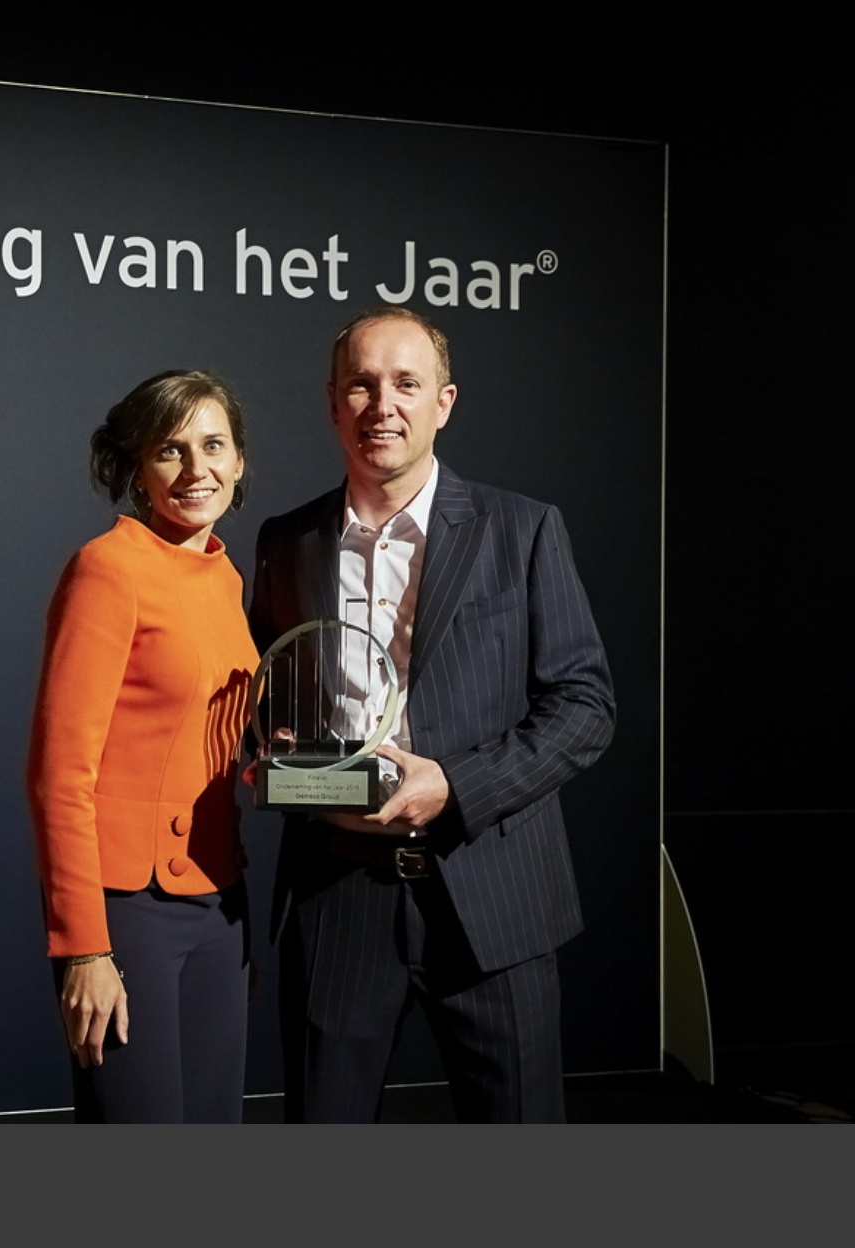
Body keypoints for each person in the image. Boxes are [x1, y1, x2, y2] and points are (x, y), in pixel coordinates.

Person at [249, 306, 615, 1123]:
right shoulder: (286, 541)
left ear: (443, 402)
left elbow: (586, 706)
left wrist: (455, 784)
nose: (383, 405)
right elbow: (267, 697)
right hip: (338, 895)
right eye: (361, 384)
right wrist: (273, 746)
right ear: (332, 403)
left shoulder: (521, 529)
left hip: (494, 892)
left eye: (406, 384)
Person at [27, 369, 259, 1123]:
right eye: (170, 450)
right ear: (136, 468)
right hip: (129, 913)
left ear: (240, 461)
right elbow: (59, 776)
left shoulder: (225, 575)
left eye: (213, 446)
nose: (197, 470)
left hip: (219, 900)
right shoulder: (108, 567)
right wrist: (84, 949)